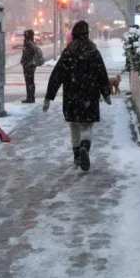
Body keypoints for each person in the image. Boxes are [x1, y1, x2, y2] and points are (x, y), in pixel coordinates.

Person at [43, 20, 111, 171]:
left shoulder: (68, 52)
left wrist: (49, 96)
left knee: (74, 125)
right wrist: (106, 93)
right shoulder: (94, 52)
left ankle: (76, 155)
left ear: (73, 35)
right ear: (87, 34)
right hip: (89, 97)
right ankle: (84, 148)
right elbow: (102, 74)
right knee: (86, 126)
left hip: (71, 97)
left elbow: (57, 74)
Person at [20, 29, 39, 103]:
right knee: (31, 82)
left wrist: (24, 62)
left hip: (28, 66)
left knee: (29, 82)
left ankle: (30, 98)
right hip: (31, 65)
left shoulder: (28, 44)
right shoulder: (32, 42)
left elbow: (26, 55)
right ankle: (31, 97)